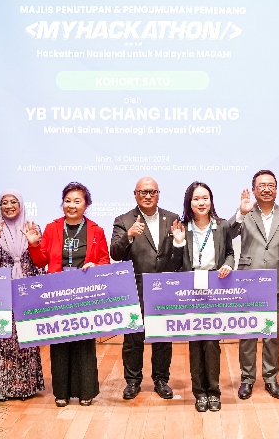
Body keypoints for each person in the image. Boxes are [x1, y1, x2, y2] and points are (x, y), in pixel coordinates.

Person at [25, 182, 111, 407]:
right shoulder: (52, 228)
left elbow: (104, 261)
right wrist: (34, 245)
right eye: (68, 201)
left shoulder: (96, 230)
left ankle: (86, 391)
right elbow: (41, 261)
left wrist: (95, 266)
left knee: (84, 343)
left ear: (86, 204)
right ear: (62, 203)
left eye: (77, 201)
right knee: (60, 342)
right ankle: (61, 392)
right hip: (58, 293)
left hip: (85, 294)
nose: (71, 205)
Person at [230, 170, 279, 400]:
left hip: (278, 283)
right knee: (248, 334)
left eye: (270, 185)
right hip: (248, 282)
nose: (266, 189)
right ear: (253, 189)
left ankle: (271, 378)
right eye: (261, 185)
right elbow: (227, 233)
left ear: (276, 188)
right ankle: (247, 379)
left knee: (272, 333)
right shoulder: (246, 213)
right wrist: (240, 214)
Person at [109, 177, 182, 400]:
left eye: (152, 192)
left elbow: (178, 259)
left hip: (164, 289)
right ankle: (133, 381)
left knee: (162, 337)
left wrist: (179, 244)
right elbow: (115, 253)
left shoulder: (172, 218)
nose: (148, 195)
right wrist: (129, 236)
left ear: (158, 194)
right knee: (133, 339)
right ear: (135, 194)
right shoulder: (123, 220)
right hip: (135, 287)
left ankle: (161, 379)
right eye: (143, 192)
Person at [170, 182, 236, 412]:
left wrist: (228, 265)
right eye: (196, 198)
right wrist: (178, 244)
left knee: (212, 343)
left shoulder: (222, 226)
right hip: (190, 290)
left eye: (205, 198)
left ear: (211, 201)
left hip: (214, 289)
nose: (201, 202)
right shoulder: (182, 227)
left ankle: (214, 392)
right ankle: (199, 392)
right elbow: (174, 263)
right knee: (196, 343)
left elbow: (229, 253)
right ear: (189, 202)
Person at [0, 189, 45, 400]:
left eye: (13, 201)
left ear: (21, 204)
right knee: (2, 338)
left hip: (26, 290)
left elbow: (40, 261)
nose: (8, 206)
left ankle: (25, 387)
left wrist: (34, 243)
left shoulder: (31, 227)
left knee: (25, 339)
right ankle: (1, 388)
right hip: (2, 291)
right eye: (4, 202)